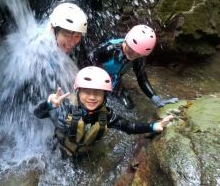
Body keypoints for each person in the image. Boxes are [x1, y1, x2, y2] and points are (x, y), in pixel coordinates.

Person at [33, 66, 174, 158]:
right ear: (78, 92)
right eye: (87, 92)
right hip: (56, 150)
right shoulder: (66, 107)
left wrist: (153, 126)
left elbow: (129, 127)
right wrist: (49, 105)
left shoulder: (106, 115)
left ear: (105, 96)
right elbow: (38, 114)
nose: (92, 97)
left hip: (83, 155)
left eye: (98, 93)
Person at [87, 24, 179, 109]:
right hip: (95, 77)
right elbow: (88, 63)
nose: (134, 55)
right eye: (131, 49)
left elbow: (142, 78)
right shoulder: (110, 49)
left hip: (114, 80)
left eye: (138, 54)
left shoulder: (139, 57)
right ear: (126, 41)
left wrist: (155, 98)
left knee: (129, 107)